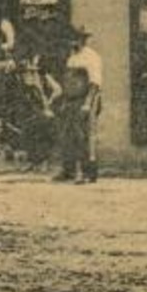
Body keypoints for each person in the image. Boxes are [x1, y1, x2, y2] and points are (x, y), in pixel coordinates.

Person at [55, 26, 102, 183]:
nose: (73, 42)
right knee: (66, 133)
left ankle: (86, 172)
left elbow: (95, 83)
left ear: (83, 39)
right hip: (70, 99)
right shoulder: (72, 57)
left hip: (85, 99)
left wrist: (88, 104)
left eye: (77, 39)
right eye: (71, 39)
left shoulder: (91, 57)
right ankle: (68, 170)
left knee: (81, 135)